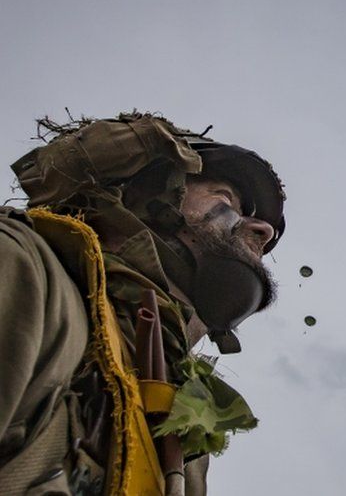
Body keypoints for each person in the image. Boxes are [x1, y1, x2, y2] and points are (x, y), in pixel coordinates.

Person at [0, 112, 285, 495]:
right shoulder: (24, 272)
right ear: (151, 192)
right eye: (225, 197)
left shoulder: (184, 435)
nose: (263, 232)